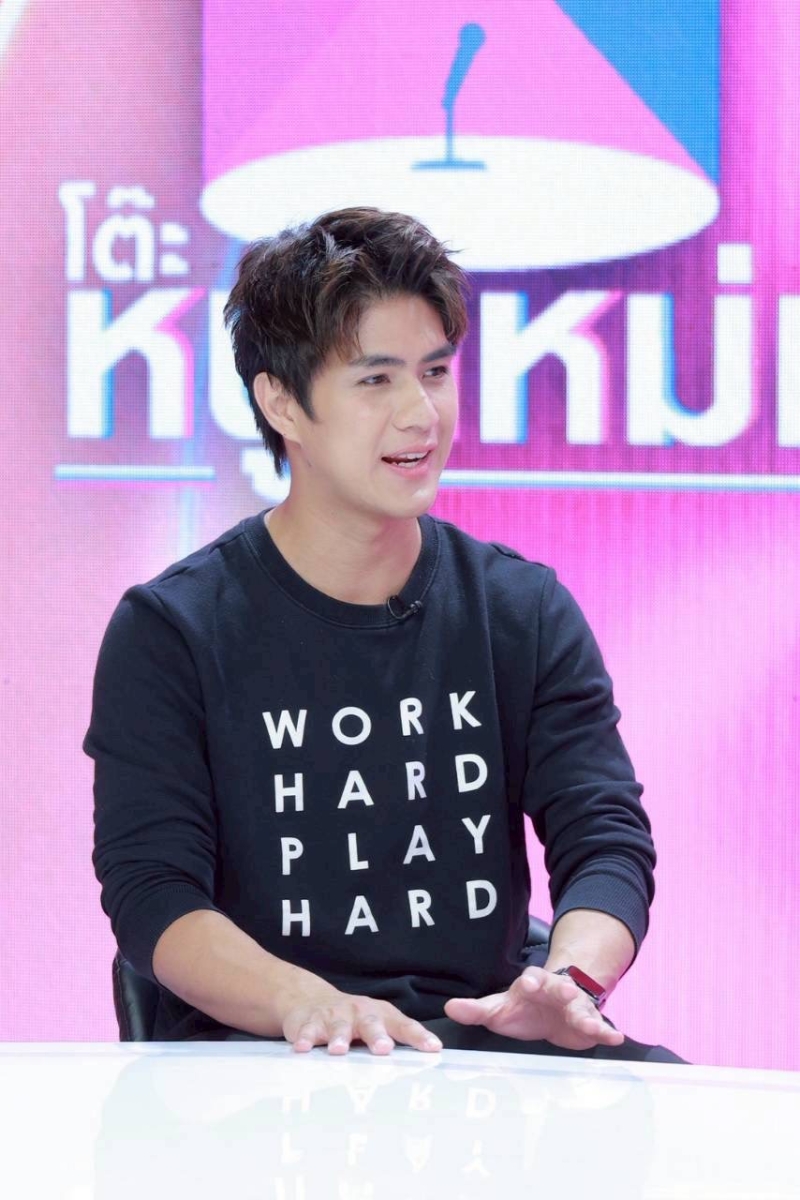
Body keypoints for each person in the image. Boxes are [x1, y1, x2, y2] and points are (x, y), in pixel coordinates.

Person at [87, 207, 681, 1062]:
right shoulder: (173, 630)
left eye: (435, 372)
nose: (421, 414)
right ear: (282, 403)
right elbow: (153, 894)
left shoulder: (521, 609)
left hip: (481, 1048)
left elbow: (606, 837)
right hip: (263, 1055)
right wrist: (304, 1002)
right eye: (376, 381)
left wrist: (570, 980)